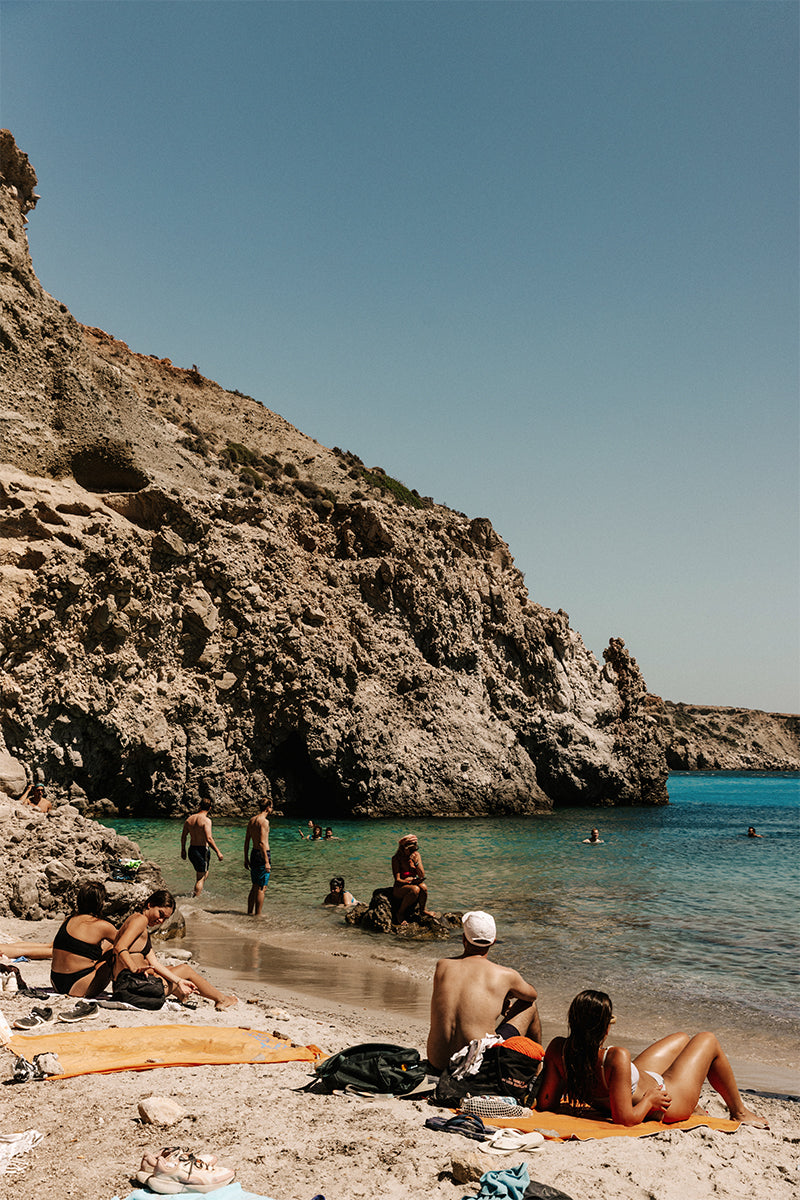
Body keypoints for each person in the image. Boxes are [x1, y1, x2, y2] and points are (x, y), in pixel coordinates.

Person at [536, 988, 767, 1128]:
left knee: (682, 1038)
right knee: (707, 1040)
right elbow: (624, 1119)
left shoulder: (559, 1049)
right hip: (666, 1099)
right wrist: (650, 1101)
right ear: (605, 1029)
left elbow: (547, 1103)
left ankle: (698, 1103)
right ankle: (739, 1112)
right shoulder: (615, 1057)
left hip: (631, 1084)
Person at [426, 910, 542, 1073]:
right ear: (493, 942)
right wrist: (505, 995)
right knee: (530, 1006)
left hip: (437, 1062)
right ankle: (538, 1068)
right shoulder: (505, 975)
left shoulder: (442, 966)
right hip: (476, 1065)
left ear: (463, 939)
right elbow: (531, 995)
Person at [112, 889, 236, 1010]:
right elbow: (120, 947)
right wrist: (134, 968)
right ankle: (222, 999)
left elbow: (155, 963)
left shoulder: (136, 920)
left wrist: (180, 981)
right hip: (132, 988)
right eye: (160, 914)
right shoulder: (140, 920)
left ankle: (182, 993)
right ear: (149, 905)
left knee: (170, 970)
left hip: (127, 986)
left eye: (165, 918)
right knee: (185, 969)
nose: (160, 921)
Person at [50, 881, 117, 997]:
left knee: (107, 945)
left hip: (56, 982)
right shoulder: (103, 926)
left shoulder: (68, 920)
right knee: (115, 952)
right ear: (100, 903)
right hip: (79, 984)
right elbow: (127, 943)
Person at [181, 800, 223, 896]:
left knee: (203, 873)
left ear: (199, 806)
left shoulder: (189, 819)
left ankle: (197, 891)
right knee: (201, 877)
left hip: (191, 849)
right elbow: (209, 838)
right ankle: (196, 899)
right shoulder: (206, 821)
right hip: (202, 850)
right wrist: (218, 852)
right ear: (210, 808)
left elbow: (183, 836)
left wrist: (183, 850)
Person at [392, 833, 435, 924]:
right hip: (400, 887)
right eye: (410, 849)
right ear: (404, 848)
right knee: (415, 889)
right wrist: (408, 882)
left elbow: (422, 875)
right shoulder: (396, 859)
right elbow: (397, 879)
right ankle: (400, 913)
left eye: (414, 849)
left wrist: (416, 863)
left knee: (423, 887)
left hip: (412, 883)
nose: (413, 851)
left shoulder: (416, 855)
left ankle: (422, 910)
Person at [244, 798, 272, 916]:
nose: (272, 809)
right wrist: (266, 861)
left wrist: (245, 858)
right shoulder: (264, 822)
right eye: (271, 807)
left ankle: (249, 912)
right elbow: (262, 843)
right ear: (267, 808)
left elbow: (247, 841)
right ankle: (258, 916)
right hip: (262, 854)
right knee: (261, 888)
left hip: (253, 853)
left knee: (254, 886)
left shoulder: (252, 820)